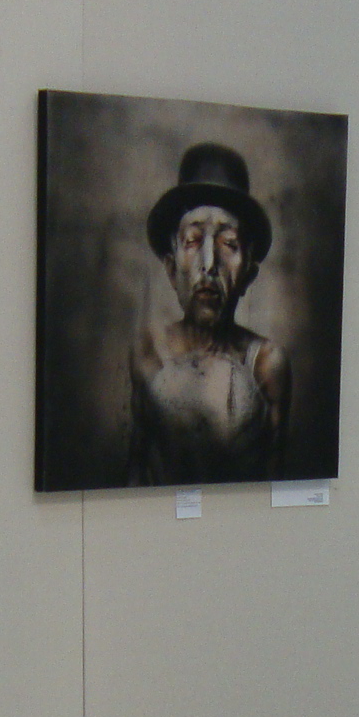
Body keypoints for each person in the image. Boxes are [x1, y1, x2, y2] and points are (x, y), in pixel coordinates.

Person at [128, 142, 291, 484]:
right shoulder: (149, 352)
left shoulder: (266, 364)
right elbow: (136, 470)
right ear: (171, 269)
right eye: (192, 240)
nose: (209, 263)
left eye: (229, 244)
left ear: (248, 275)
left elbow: (275, 483)